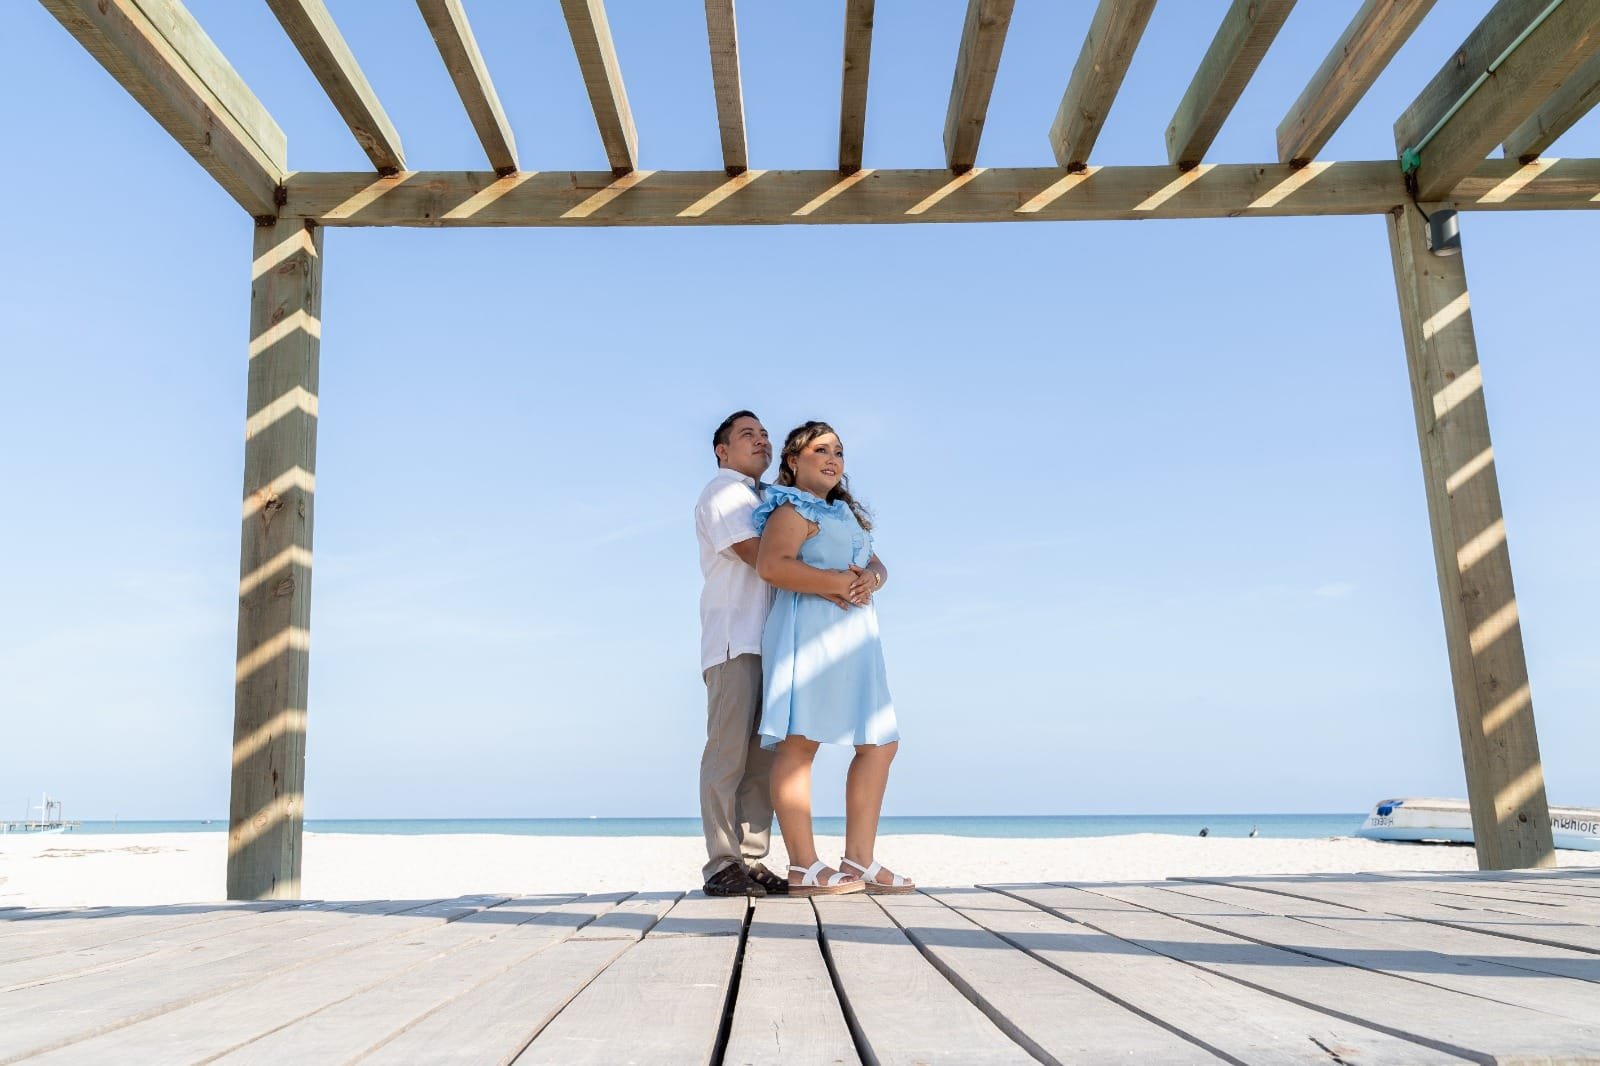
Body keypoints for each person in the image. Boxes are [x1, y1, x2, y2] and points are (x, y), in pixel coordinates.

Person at [754, 421, 913, 896]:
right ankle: (803, 866)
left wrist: (873, 579)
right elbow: (771, 565)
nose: (832, 458)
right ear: (792, 461)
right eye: (820, 449)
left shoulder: (844, 513)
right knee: (800, 744)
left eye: (838, 451)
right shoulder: (790, 508)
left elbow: (875, 561)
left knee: (880, 743)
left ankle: (859, 861)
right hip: (811, 636)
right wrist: (839, 583)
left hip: (857, 641)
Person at [693, 410, 788, 897]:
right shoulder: (725, 491)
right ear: (722, 450)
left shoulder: (764, 498)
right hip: (734, 639)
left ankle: (751, 860)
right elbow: (759, 557)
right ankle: (721, 863)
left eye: (766, 434)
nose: (761, 441)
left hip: (768, 642)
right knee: (727, 754)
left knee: (760, 761)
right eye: (747, 434)